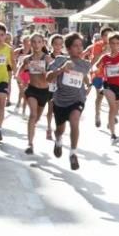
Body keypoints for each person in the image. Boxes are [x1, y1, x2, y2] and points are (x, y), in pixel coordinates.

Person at [46, 33, 92, 170]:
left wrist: (88, 86)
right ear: (68, 48)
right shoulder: (60, 60)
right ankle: (58, 141)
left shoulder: (85, 64)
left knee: (74, 121)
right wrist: (61, 69)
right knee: (60, 129)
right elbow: (48, 78)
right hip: (60, 101)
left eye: (80, 46)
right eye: (75, 46)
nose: (79, 49)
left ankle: (73, 153)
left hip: (77, 99)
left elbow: (85, 77)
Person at [92, 32, 119, 144]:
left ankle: (111, 121)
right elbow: (96, 65)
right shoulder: (105, 57)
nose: (115, 45)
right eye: (112, 43)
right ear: (109, 44)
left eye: (117, 43)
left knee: (116, 110)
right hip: (108, 85)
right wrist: (95, 69)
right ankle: (113, 135)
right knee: (112, 108)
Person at [19, 33, 53, 155]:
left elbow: (52, 77)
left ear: (43, 43)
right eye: (34, 42)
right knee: (32, 115)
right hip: (32, 89)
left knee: (36, 118)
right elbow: (19, 71)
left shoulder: (47, 59)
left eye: (39, 42)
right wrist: (21, 80)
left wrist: (44, 71)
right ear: (30, 44)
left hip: (44, 91)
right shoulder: (28, 59)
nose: (36, 45)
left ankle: (32, 130)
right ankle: (30, 143)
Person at [45, 33, 65, 141]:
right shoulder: (47, 56)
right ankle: (48, 128)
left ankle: (58, 130)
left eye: (60, 44)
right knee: (50, 109)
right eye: (56, 44)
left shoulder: (65, 58)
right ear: (51, 44)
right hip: (50, 86)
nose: (58, 46)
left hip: (61, 87)